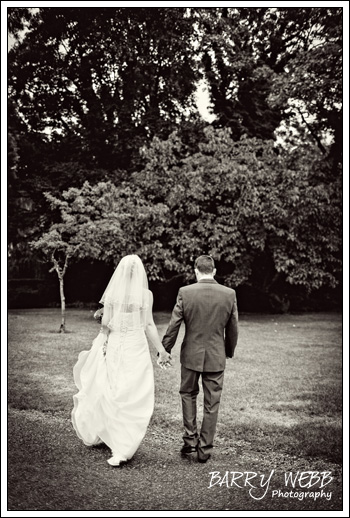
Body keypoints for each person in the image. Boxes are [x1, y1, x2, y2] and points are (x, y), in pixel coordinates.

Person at [71, 254, 171, 466]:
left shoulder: (114, 293)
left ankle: (113, 439)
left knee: (113, 390)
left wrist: (104, 342)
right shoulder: (146, 295)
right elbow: (149, 325)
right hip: (137, 346)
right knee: (133, 392)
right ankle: (122, 446)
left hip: (116, 345)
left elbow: (106, 323)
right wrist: (161, 350)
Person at [162, 255, 238, 463]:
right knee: (212, 402)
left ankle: (190, 441)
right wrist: (228, 351)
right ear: (214, 271)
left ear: (196, 271)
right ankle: (204, 449)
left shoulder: (185, 292)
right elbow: (233, 329)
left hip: (190, 356)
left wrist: (165, 348)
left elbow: (174, 324)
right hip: (216, 356)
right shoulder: (229, 294)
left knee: (188, 394)